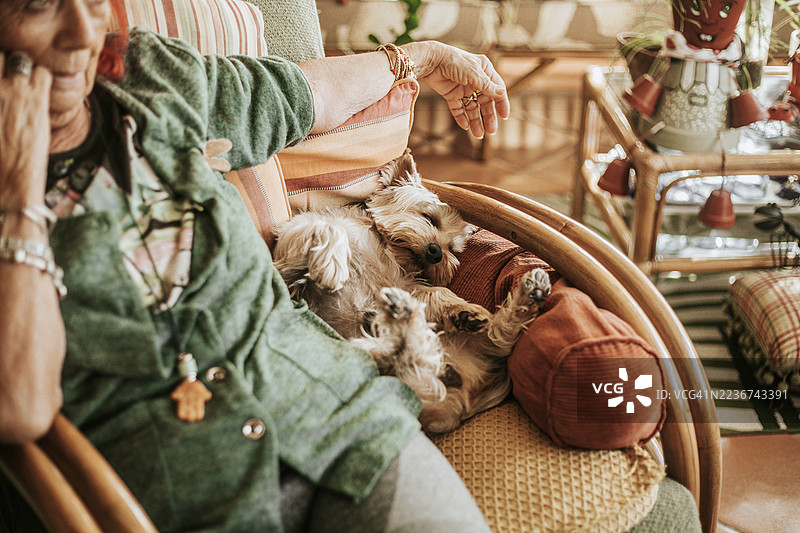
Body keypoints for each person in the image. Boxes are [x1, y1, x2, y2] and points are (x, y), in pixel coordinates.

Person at [0, 0, 510, 531]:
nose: (84, 31)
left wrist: (422, 57)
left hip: (340, 426)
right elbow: (20, 406)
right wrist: (18, 190)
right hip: (177, 498)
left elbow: (303, 95)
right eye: (39, 8)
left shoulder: (147, 79)